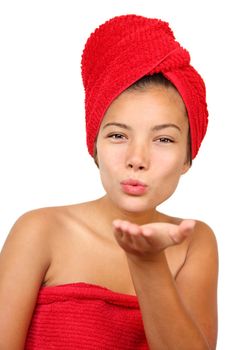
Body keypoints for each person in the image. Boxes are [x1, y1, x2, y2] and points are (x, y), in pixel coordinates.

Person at [0, 14, 218, 350]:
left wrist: (148, 264)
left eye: (163, 140)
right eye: (118, 135)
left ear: (188, 158)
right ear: (95, 147)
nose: (137, 158)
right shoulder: (39, 230)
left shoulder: (193, 242)